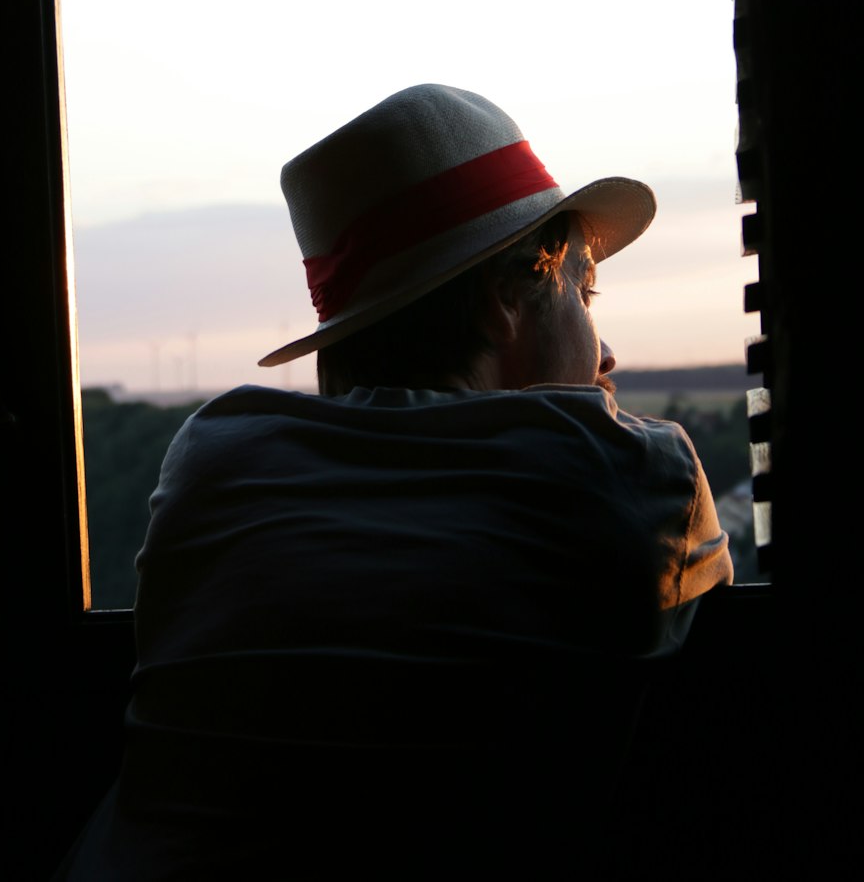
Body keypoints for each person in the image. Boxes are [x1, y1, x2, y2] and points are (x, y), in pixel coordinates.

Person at [61, 85, 733, 879]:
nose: (606, 352)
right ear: (502, 302)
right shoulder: (617, 470)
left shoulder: (214, 451)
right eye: (583, 293)